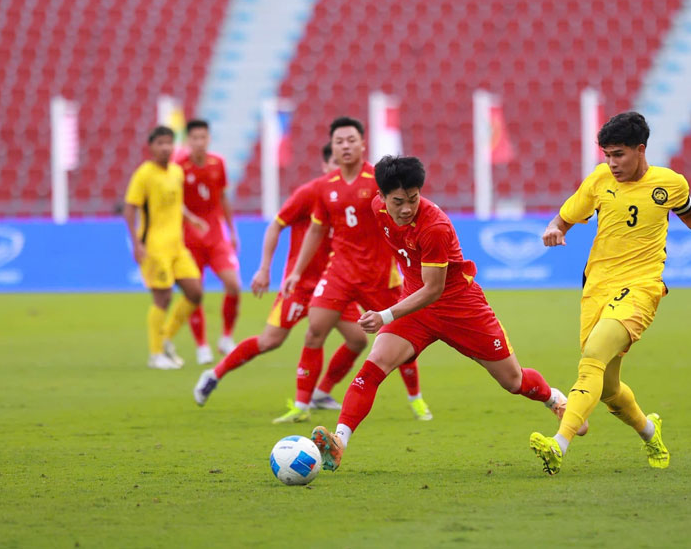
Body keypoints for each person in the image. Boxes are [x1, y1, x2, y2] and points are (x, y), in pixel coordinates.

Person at [529, 111, 691, 475]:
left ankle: (558, 444)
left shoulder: (669, 183)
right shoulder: (599, 181)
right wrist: (553, 229)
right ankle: (651, 432)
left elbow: (689, 212)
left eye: (619, 154)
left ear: (640, 150)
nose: (612, 163)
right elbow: (565, 217)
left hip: (641, 286)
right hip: (596, 287)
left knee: (592, 356)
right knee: (607, 389)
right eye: (607, 155)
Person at [309, 155, 578, 471]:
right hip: (416, 307)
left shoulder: (434, 227)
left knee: (513, 380)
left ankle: (556, 401)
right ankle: (339, 442)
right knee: (374, 365)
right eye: (398, 201)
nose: (407, 208)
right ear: (380, 197)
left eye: (413, 198)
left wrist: (385, 315)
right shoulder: (376, 210)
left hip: (459, 308)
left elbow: (433, 289)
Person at [278, 118, 429, 423]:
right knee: (315, 330)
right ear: (332, 147)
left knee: (401, 337)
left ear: (363, 143)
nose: (345, 146)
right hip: (340, 272)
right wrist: (296, 271)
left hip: (378, 275)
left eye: (351, 140)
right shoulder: (325, 186)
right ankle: (301, 406)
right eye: (339, 141)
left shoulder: (378, 180)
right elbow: (316, 232)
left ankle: (416, 399)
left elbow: (404, 214)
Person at [193, 144, 363, 412]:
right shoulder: (311, 193)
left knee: (358, 339)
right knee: (269, 341)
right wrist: (264, 268)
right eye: (334, 162)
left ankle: (319, 394)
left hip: (335, 284)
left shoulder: (352, 195)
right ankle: (214, 375)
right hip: (301, 285)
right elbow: (276, 225)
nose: (339, 168)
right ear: (325, 166)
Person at [123, 126, 208, 370]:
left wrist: (191, 218)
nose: (165, 147)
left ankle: (167, 337)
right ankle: (156, 353)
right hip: (154, 246)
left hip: (177, 245)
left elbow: (176, 203)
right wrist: (136, 243)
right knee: (163, 297)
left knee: (195, 292)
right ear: (151, 147)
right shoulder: (144, 174)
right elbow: (130, 208)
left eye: (169, 143)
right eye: (160, 143)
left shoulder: (176, 172)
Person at [176, 119, 241, 365]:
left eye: (203, 137)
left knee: (233, 285)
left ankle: (226, 336)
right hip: (189, 240)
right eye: (194, 138)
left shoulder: (218, 164)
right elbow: (174, 202)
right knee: (196, 293)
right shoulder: (179, 167)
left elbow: (223, 197)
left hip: (215, 237)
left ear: (209, 139)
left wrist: (232, 231)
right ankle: (201, 345)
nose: (199, 142)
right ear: (188, 141)